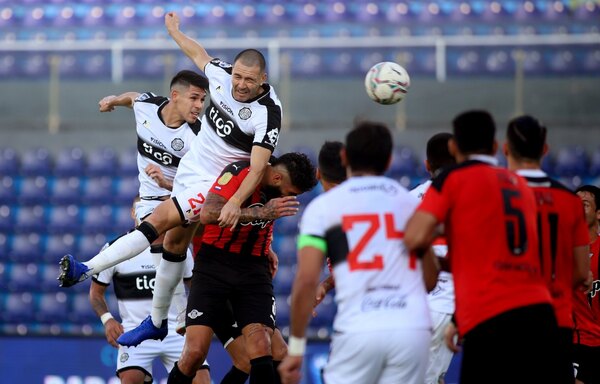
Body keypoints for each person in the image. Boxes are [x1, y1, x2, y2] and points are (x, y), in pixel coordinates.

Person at [58, 10, 284, 348]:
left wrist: (235, 201)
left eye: (249, 80)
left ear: (263, 78)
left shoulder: (269, 112)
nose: (240, 85)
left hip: (216, 184)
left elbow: (256, 168)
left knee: (157, 222)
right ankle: (158, 321)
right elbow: (199, 54)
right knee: (175, 246)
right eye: (237, 76)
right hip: (190, 170)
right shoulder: (221, 75)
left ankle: (85, 269)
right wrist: (174, 31)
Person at [404, 110, 564, 383]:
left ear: (455, 148)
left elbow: (414, 238)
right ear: (494, 147)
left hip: (490, 312)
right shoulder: (519, 184)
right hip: (539, 310)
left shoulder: (452, 180)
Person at [279, 122, 439, 384]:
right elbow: (430, 280)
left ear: (345, 157)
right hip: (411, 329)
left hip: (358, 328)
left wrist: (296, 350)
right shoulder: (412, 203)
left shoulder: (323, 208)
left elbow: (306, 281)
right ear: (389, 161)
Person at [167, 152, 317, 384]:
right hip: (214, 266)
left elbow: (259, 225)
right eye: (291, 193)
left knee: (262, 345)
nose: (291, 198)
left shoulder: (273, 189)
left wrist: (266, 247)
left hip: (253, 270)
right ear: (277, 179)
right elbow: (208, 214)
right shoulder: (239, 172)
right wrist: (261, 213)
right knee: (195, 353)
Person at [58, 69, 209, 287]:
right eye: (194, 98)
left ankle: (87, 268)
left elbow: (202, 186)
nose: (199, 105)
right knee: (165, 254)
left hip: (179, 200)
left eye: (203, 99)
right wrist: (114, 100)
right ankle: (164, 320)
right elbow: (133, 97)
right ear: (175, 96)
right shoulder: (148, 106)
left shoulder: (199, 137)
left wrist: (166, 183)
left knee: (165, 244)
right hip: (149, 200)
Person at [503, 115, 591, 383]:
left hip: (507, 321)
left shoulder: (495, 195)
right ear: (545, 150)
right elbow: (581, 272)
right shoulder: (569, 201)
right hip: (555, 321)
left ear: (506, 149)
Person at [89, 196, 210, 384]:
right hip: (136, 331)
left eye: (151, 210)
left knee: (202, 381)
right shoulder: (115, 249)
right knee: (130, 379)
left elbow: (196, 288)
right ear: (132, 213)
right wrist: (108, 320)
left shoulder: (178, 246)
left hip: (176, 331)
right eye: (140, 209)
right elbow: (96, 293)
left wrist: (195, 321)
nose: (145, 215)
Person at [409, 132, 456, 384]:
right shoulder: (475, 196)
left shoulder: (410, 199)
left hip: (413, 306)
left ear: (427, 165)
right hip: (450, 305)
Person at [311, 141, 346, 313]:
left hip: (356, 315)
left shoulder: (319, 213)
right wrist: (325, 285)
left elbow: (306, 276)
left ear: (318, 174)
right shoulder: (372, 203)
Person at [572, 185, 600, 384]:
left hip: (595, 343)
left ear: (599, 214)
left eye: (585, 205)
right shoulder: (560, 250)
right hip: (571, 341)